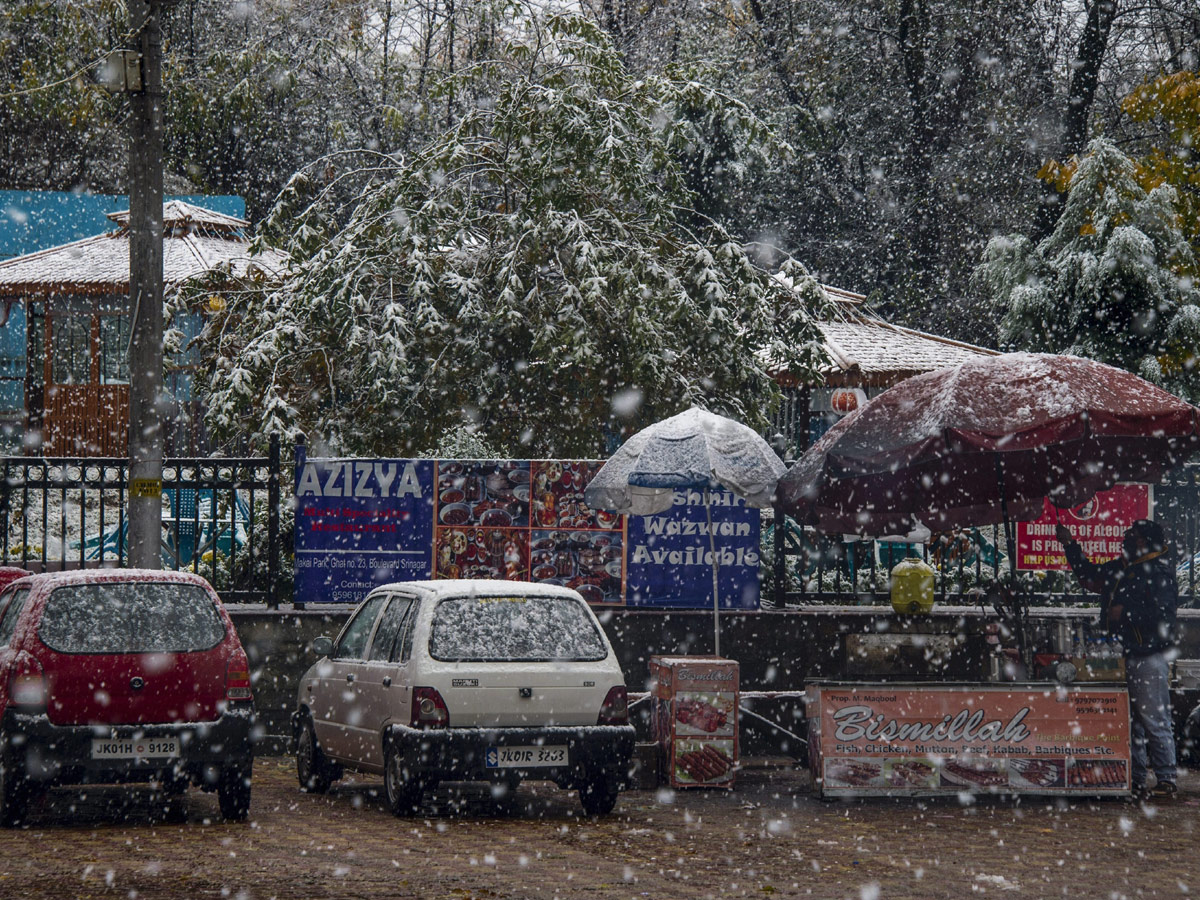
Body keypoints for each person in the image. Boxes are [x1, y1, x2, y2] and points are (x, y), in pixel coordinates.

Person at [1055, 518, 1178, 800]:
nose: (1125, 539)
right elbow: (1089, 575)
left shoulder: (1158, 572)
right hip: (1127, 654)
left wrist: (1126, 613)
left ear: (1143, 541)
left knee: (1154, 720)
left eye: (1131, 536)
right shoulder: (1126, 568)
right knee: (1130, 720)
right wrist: (1070, 545)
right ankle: (1134, 778)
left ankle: (1167, 777)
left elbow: (1164, 619)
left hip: (1149, 655)